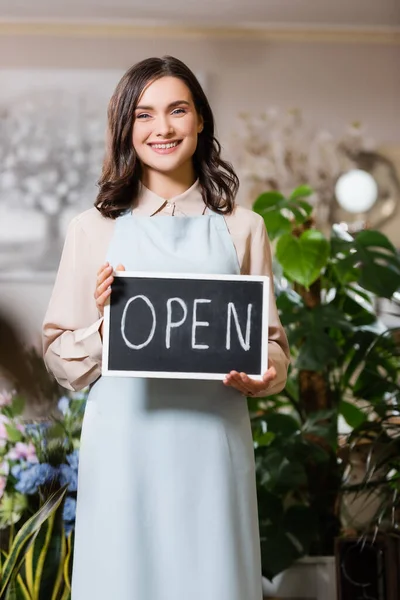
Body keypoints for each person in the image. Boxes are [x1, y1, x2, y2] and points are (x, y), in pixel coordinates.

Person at [42, 55, 290, 600]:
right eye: (145, 114)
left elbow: (272, 347)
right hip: (125, 447)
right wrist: (108, 325)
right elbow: (60, 358)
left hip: (214, 447)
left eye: (177, 110)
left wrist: (263, 375)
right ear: (127, 128)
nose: (164, 128)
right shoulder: (92, 230)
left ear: (200, 120)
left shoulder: (245, 228)